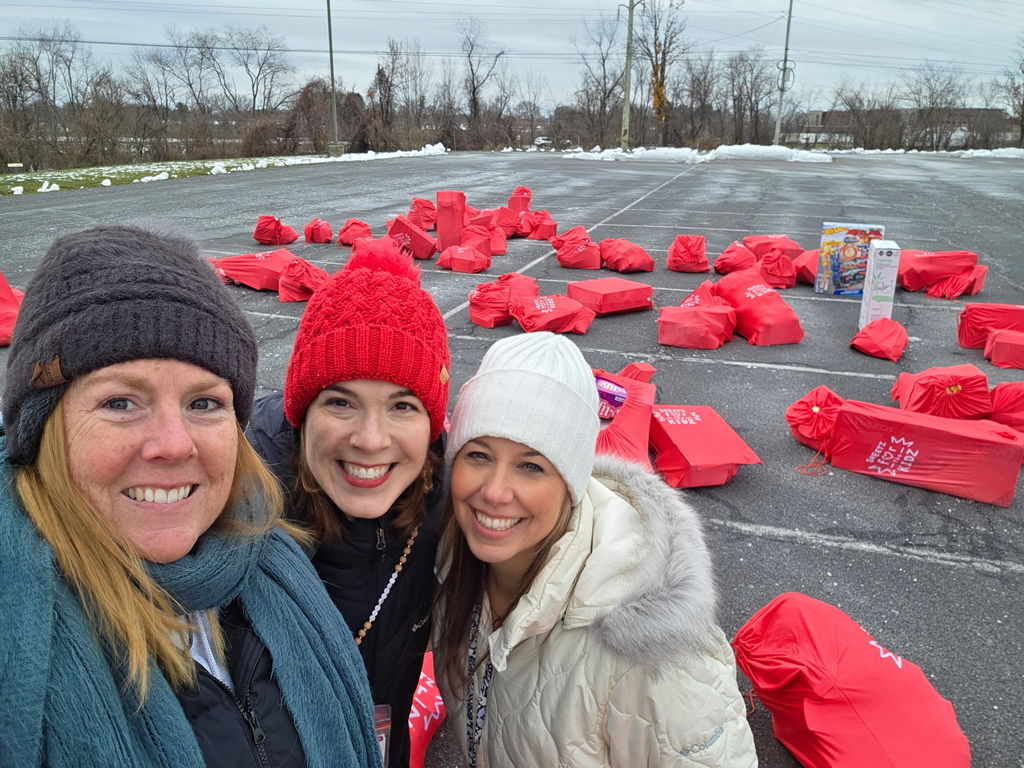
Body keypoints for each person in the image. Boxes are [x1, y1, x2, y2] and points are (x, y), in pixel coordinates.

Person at [0, 225, 381, 768]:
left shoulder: (269, 560)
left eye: (204, 404)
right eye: (121, 402)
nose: (173, 445)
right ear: (43, 429)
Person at [434, 332, 758, 767]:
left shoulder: (650, 650)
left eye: (531, 466)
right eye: (478, 455)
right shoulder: (449, 568)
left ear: (571, 482)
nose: (494, 492)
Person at [246, 237, 450, 768]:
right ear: (302, 411)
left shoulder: (447, 501)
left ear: (432, 425)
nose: (371, 439)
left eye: (402, 406)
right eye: (341, 402)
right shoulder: (235, 515)